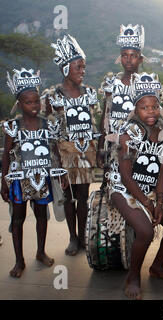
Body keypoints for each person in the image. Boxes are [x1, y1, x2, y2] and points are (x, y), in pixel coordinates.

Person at [108, 72, 163, 300]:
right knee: (145, 230)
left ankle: (157, 267)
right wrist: (149, 205)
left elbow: (161, 171)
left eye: (154, 106)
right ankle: (133, 275)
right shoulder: (129, 133)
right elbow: (126, 176)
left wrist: (159, 202)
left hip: (150, 187)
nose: (150, 112)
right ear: (135, 109)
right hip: (123, 187)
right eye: (144, 107)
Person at [1, 68, 67, 277]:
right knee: (18, 219)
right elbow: (5, 156)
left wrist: (61, 173)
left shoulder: (47, 124)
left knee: (41, 216)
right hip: (20, 181)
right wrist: (4, 182)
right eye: (28, 102)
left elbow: (55, 150)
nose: (34, 106)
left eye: (37, 101)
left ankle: (40, 251)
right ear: (19, 104)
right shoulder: (13, 126)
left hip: (42, 179)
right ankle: (19, 260)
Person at [44, 34, 99, 256]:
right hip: (64, 153)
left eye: (83, 67)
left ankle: (84, 238)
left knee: (83, 197)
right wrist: (57, 164)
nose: (82, 71)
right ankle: (73, 237)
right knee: (68, 197)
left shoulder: (89, 94)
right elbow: (50, 133)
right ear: (66, 68)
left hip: (86, 152)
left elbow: (94, 125)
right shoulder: (52, 97)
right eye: (78, 67)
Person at [97, 24, 146, 169]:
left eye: (133, 56)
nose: (129, 60)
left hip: (138, 147)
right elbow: (105, 118)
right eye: (125, 55)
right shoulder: (111, 83)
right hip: (113, 146)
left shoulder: (146, 84)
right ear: (120, 58)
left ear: (140, 59)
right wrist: (101, 147)